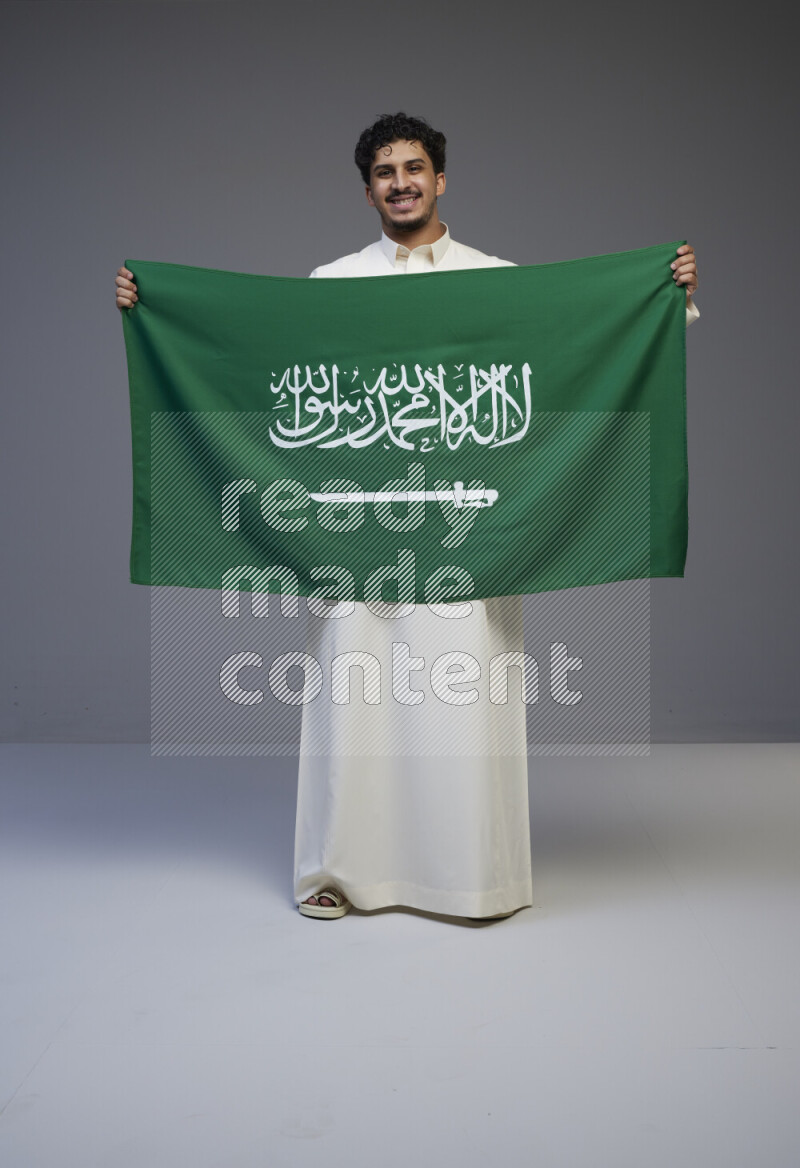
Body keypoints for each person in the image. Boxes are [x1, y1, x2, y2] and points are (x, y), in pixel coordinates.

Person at [115, 112, 699, 923]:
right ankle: (335, 875)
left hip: (469, 538)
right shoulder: (332, 285)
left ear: (441, 178)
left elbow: (574, 347)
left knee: (461, 706)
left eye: (414, 167)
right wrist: (154, 311)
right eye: (385, 171)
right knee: (351, 710)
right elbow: (253, 370)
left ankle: (468, 876)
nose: (401, 182)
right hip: (354, 541)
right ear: (367, 190)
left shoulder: (495, 280)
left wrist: (665, 300)